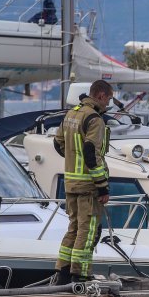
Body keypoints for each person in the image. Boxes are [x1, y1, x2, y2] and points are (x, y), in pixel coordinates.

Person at [53, 80, 113, 284]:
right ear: (102, 96)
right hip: (88, 185)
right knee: (87, 232)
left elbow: (58, 142)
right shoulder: (94, 118)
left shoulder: (71, 114)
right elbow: (91, 151)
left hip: (71, 182)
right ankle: (80, 275)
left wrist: (73, 159)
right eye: (109, 99)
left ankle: (62, 272)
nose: (108, 104)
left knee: (74, 228)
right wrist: (102, 185)